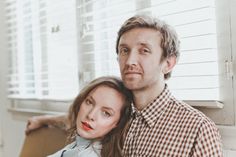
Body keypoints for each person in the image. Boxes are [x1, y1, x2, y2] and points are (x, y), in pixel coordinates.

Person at [26, 15, 223, 156]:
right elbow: (82, 118)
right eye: (124, 50)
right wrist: (43, 120)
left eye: (144, 51)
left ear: (168, 63)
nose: (129, 61)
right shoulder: (116, 111)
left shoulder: (198, 129)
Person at [39, 76, 132, 157]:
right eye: (89, 102)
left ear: (118, 123)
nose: (90, 115)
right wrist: (41, 120)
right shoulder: (83, 143)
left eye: (106, 113)